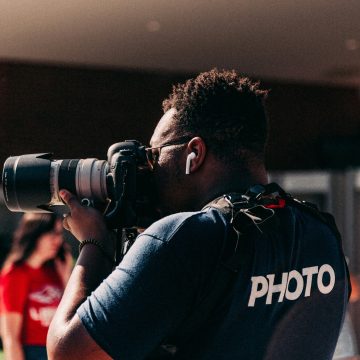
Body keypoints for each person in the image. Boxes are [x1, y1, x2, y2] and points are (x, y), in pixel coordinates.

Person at [47, 69, 350, 360]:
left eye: (155, 154)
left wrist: (94, 243)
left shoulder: (181, 240)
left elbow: (68, 353)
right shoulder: (320, 233)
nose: (150, 169)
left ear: (194, 153)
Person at [0, 213, 73, 360]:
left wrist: (66, 276)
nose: (58, 240)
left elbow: (73, 314)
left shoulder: (56, 270)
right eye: (53, 233)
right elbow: (10, 336)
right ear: (35, 234)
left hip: (58, 349)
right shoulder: (15, 274)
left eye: (60, 234)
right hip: (33, 352)